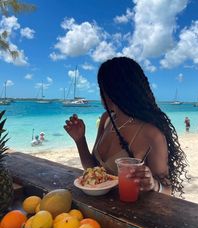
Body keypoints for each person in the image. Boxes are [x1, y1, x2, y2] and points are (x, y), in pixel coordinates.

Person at [64, 57, 189, 196]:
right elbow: (93, 170)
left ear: (114, 91)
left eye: (101, 88)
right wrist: (80, 140)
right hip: (100, 210)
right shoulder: (107, 119)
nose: (100, 94)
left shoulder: (152, 133)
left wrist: (153, 184)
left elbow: (167, 190)